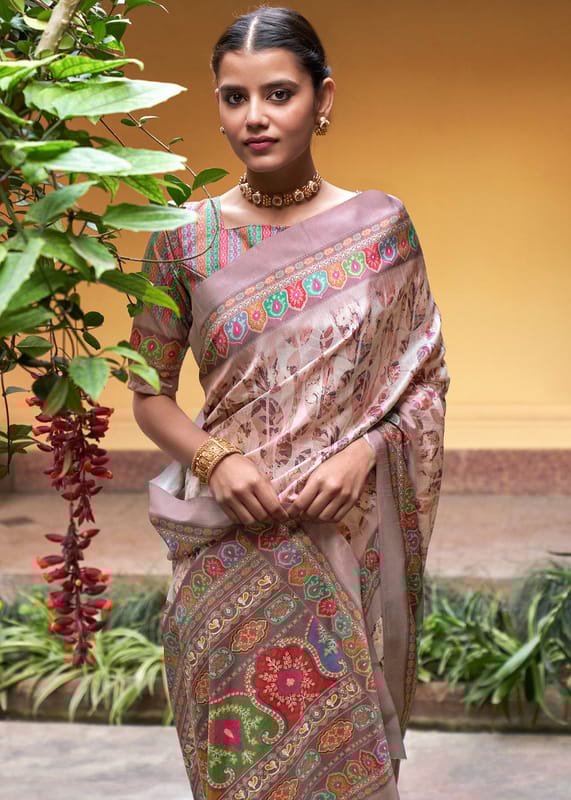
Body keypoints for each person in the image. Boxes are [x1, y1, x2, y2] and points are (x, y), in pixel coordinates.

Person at [128, 7, 449, 799]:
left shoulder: (380, 229)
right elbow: (147, 393)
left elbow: (424, 382)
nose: (255, 117)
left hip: (340, 540)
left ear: (322, 97)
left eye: (278, 94)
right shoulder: (181, 237)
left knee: (345, 767)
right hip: (225, 544)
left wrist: (364, 453)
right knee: (236, 769)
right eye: (234, 97)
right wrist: (215, 458)